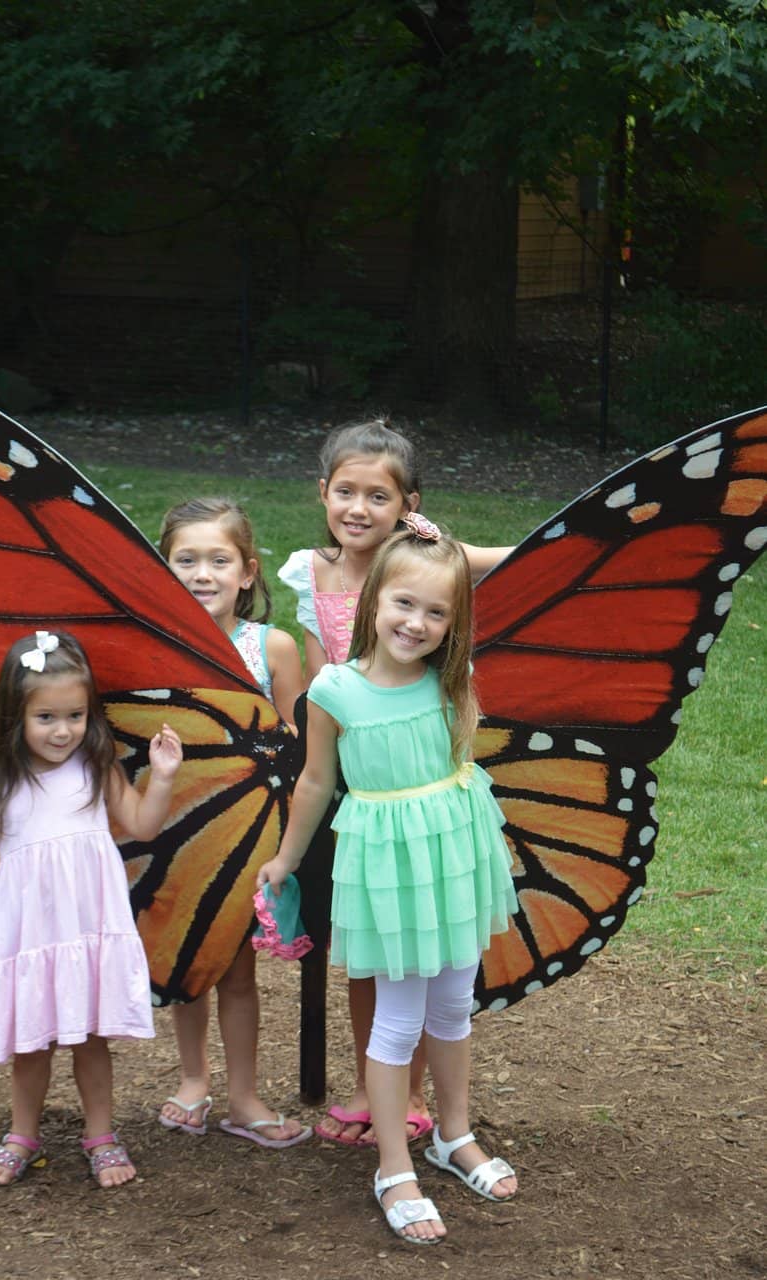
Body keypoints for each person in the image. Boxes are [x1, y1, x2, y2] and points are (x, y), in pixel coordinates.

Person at [259, 516, 520, 1243]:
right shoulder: (335, 690)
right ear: (373, 599)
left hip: (455, 854)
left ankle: (452, 1135)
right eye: (403, 603)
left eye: (437, 611)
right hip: (390, 870)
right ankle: (394, 1165)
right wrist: (285, 856)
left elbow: (503, 566)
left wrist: (445, 547)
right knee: (397, 1020)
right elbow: (315, 782)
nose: (417, 622)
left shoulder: (452, 679)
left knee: (452, 1009)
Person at [278, 418, 512, 1146]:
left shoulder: (432, 579)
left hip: (432, 810)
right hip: (356, 789)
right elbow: (320, 687)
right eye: (343, 491)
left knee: (439, 972)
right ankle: (376, 1100)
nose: (357, 508)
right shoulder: (306, 574)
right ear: (322, 494)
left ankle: (424, 1108)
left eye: (376, 496)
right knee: (369, 954)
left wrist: (438, 544)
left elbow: (515, 565)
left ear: (404, 503)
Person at [0, 630, 183, 1188]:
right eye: (47, 718)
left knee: (89, 1037)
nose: (64, 731)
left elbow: (142, 824)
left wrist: (164, 777)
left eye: (76, 715)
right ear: (15, 716)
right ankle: (22, 1135)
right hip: (31, 936)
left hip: (87, 928)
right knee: (30, 1045)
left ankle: (101, 1135)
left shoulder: (95, 767)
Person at [156, 497, 310, 1147]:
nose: (201, 573)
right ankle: (193, 1078)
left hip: (247, 834)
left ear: (247, 572)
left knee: (238, 970)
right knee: (189, 958)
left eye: (218, 560)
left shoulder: (269, 646)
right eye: (185, 560)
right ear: (162, 571)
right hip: (176, 831)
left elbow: (299, 740)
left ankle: (243, 1096)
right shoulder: (153, 646)